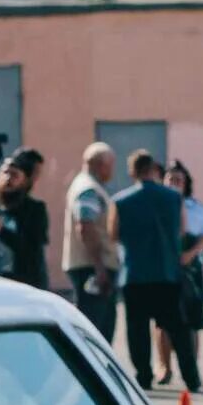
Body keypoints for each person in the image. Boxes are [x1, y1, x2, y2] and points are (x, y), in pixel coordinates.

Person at [110, 150, 200, 393]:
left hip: (135, 274)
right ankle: (191, 377)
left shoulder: (120, 200)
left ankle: (144, 376)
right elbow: (182, 231)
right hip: (167, 273)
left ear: (132, 172)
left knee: (137, 329)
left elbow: (113, 234)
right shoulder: (173, 198)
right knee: (178, 328)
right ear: (153, 169)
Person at [154, 160, 203, 385]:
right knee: (162, 321)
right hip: (164, 269)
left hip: (190, 268)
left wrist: (190, 254)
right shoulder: (158, 205)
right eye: (170, 179)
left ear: (186, 183)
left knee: (193, 320)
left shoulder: (196, 208)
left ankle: (192, 367)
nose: (174, 183)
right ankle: (164, 367)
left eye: (179, 180)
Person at [63, 142, 120, 342]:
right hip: (92, 268)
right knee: (96, 331)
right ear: (99, 164)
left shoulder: (89, 186)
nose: (112, 171)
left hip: (93, 266)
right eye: (110, 165)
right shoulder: (88, 189)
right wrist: (100, 268)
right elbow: (86, 227)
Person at [0, 146, 50, 290]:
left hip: (26, 283)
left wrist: (2, 231)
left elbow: (32, 249)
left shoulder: (35, 209)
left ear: (25, 180)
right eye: (5, 173)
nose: (8, 179)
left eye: (14, 175)